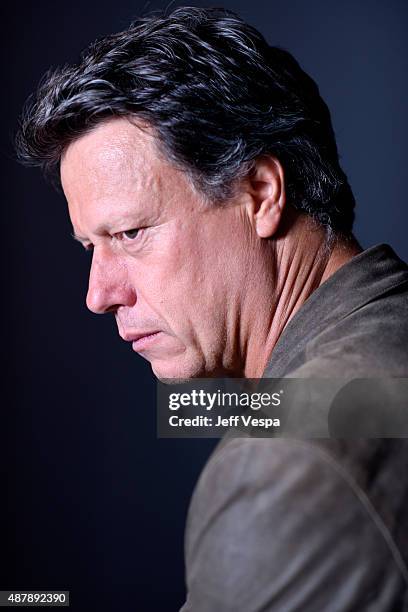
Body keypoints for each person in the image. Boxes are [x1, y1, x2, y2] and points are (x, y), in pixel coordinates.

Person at [16, 6, 408, 610]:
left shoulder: (283, 467)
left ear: (260, 194)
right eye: (90, 247)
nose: (97, 295)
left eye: (129, 234)